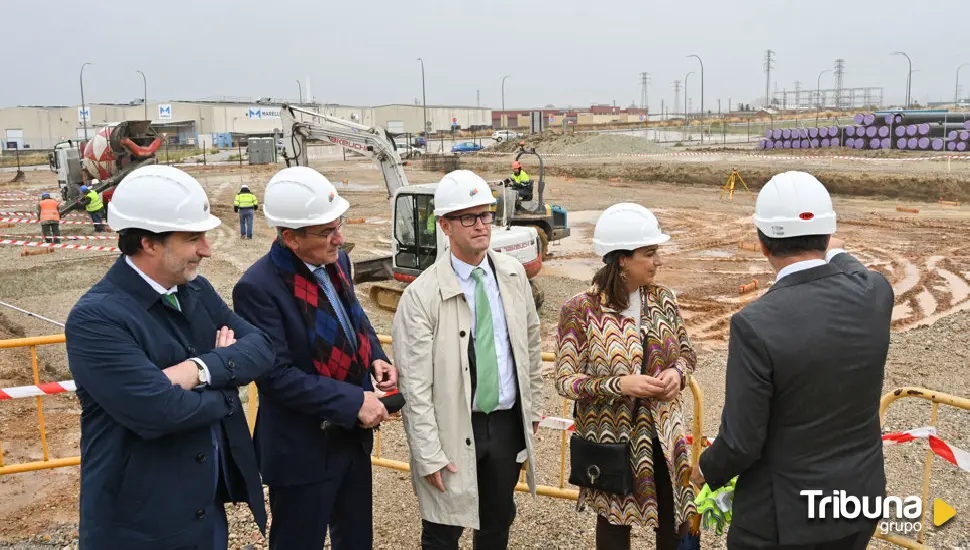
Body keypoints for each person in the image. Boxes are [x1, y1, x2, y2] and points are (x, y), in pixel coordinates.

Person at [64, 165, 274, 549]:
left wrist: (199, 370)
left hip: (204, 519)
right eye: (193, 238)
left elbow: (261, 348)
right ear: (149, 243)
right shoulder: (96, 318)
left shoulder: (195, 290)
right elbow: (157, 411)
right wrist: (228, 383)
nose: (207, 250)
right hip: (138, 529)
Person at [691, 171, 893, 549]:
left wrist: (703, 470)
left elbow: (742, 442)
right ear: (829, 234)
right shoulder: (875, 293)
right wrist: (828, 245)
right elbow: (847, 263)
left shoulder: (755, 324)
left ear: (763, 244)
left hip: (783, 520)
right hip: (857, 502)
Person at [232, 166, 397, 550]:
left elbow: (354, 319)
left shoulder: (337, 262)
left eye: (337, 225)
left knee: (355, 540)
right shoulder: (257, 289)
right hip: (302, 450)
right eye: (327, 231)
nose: (339, 238)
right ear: (290, 237)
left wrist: (375, 356)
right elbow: (276, 377)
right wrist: (355, 400)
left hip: (350, 440)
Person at [392, 169, 543, 549]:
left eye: (486, 215)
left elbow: (529, 346)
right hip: (454, 430)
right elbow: (415, 385)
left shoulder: (511, 275)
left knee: (496, 524)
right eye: (468, 217)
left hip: (506, 426)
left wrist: (533, 411)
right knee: (443, 531)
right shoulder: (422, 296)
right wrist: (428, 455)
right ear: (444, 225)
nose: (481, 226)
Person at [555, 203, 698, 550]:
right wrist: (619, 385)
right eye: (649, 253)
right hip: (613, 441)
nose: (657, 261)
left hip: (665, 437)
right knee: (615, 528)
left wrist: (677, 374)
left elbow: (687, 353)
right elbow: (565, 380)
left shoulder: (663, 298)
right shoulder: (580, 309)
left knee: (676, 522)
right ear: (621, 259)